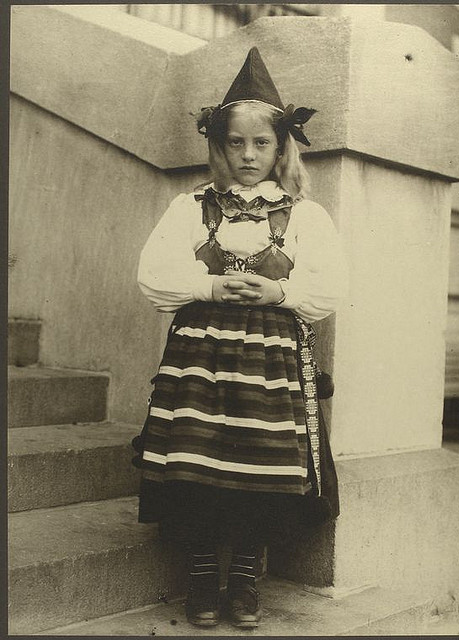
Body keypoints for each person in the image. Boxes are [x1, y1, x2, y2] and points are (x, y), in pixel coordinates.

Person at [132, 47, 348, 629]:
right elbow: (153, 276)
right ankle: (203, 577)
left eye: (262, 144)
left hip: (270, 367)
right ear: (219, 146)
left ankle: (246, 580)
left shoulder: (303, 215)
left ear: (282, 148)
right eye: (236, 143)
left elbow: (328, 289)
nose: (249, 155)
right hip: (200, 360)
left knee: (259, 468)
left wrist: (280, 294)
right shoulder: (193, 208)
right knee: (199, 465)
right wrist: (208, 287)